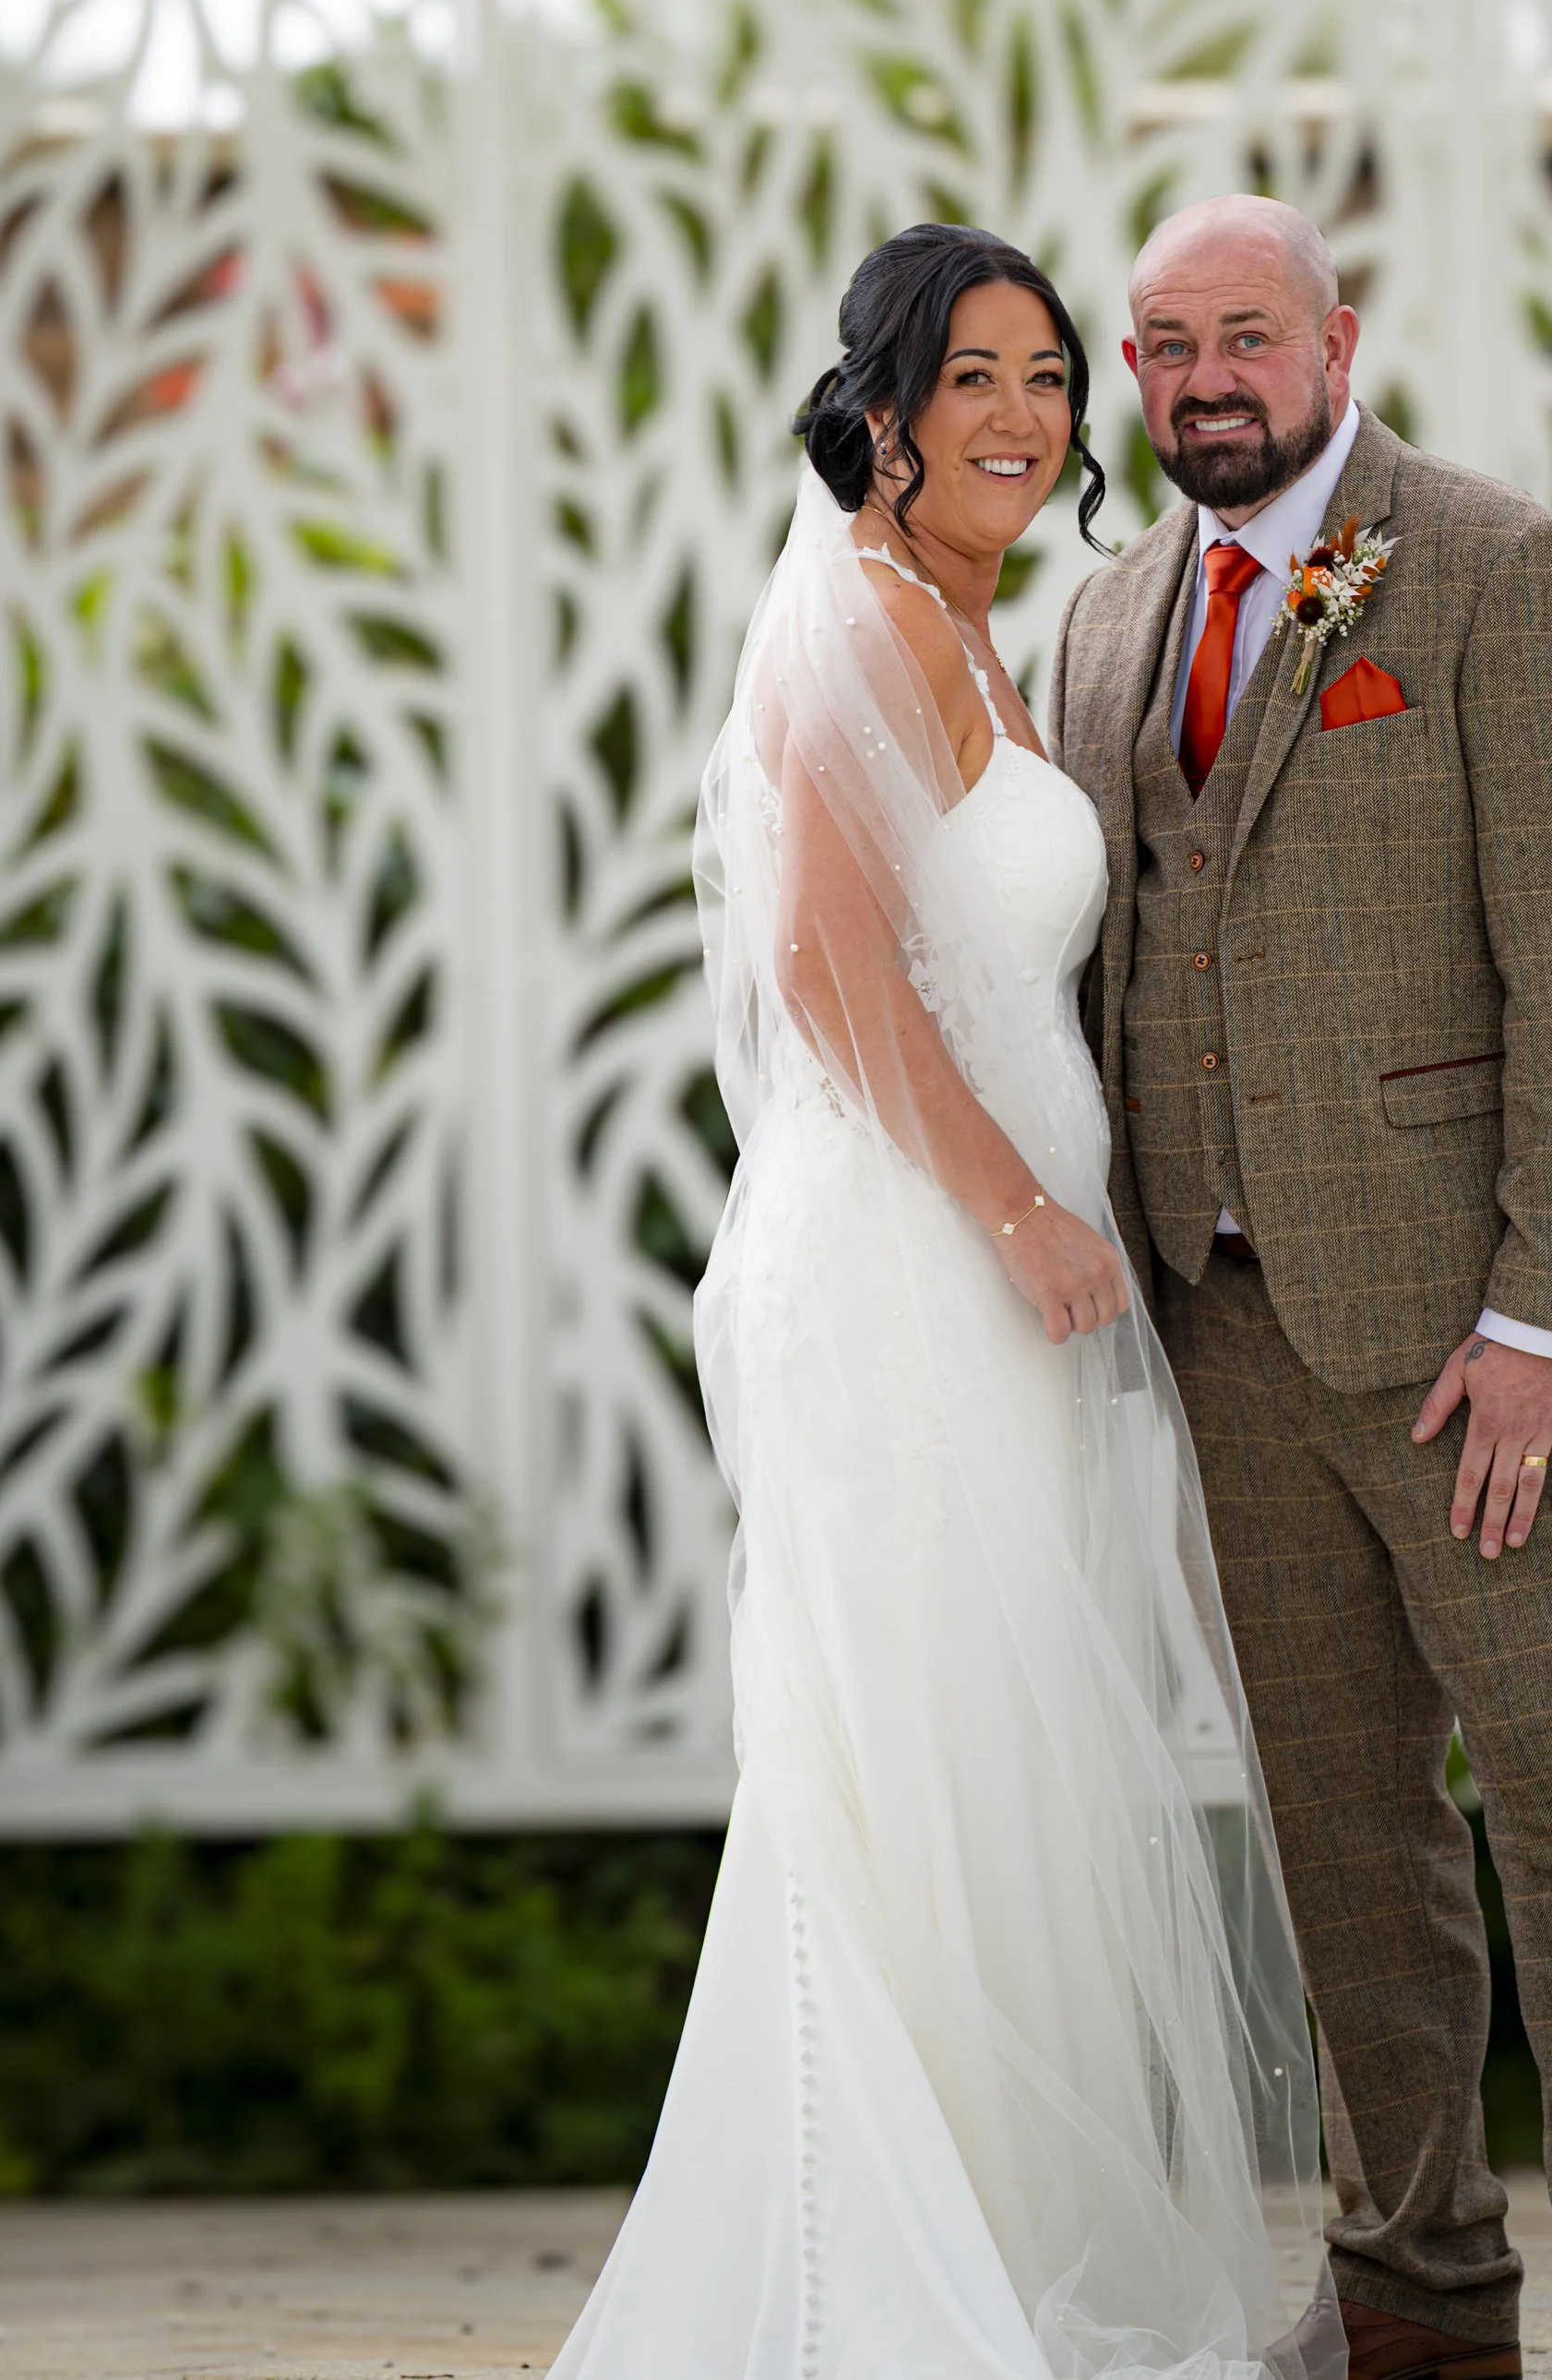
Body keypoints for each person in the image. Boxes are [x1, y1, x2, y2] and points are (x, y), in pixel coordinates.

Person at [551, 223, 1344, 2380]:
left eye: (1044, 375)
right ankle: (862, 2286)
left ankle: (980, 2249)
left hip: (995, 1276)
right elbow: (826, 963)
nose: (1020, 415)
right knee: (892, 1761)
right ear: (880, 414)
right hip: (904, 1269)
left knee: (990, 1767)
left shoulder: (999, 638)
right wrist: (1012, 1207)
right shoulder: (861, 620)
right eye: (968, 377)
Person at [1045, 198, 1552, 2380]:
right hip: (1219, 1318)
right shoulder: (1104, 618)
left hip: (1466, 1329)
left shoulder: (1495, 568)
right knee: (1339, 1819)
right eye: (1159, 346)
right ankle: (1409, 2280)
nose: (1199, 380)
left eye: (1240, 335)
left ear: (1335, 340)